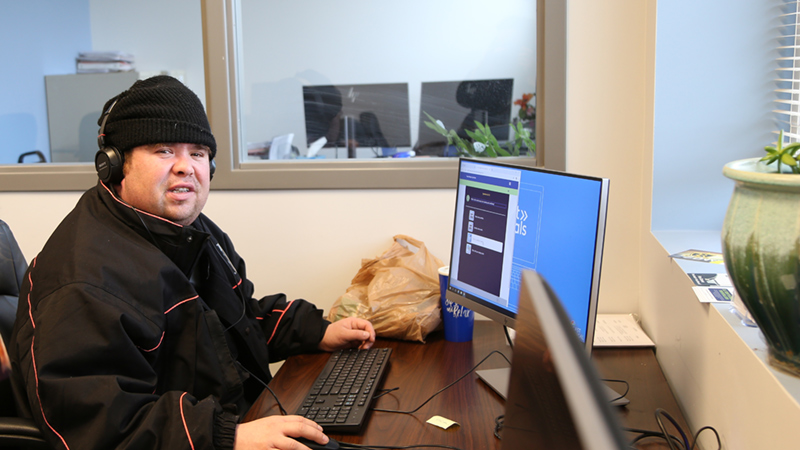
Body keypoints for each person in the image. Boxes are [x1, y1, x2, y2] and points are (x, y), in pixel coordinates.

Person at [9, 75, 375, 450]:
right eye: (164, 150)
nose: (186, 167)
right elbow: (99, 427)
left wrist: (317, 332)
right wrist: (227, 436)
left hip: (232, 423)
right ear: (115, 165)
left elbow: (234, 322)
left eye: (198, 153)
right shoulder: (82, 280)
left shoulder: (191, 231)